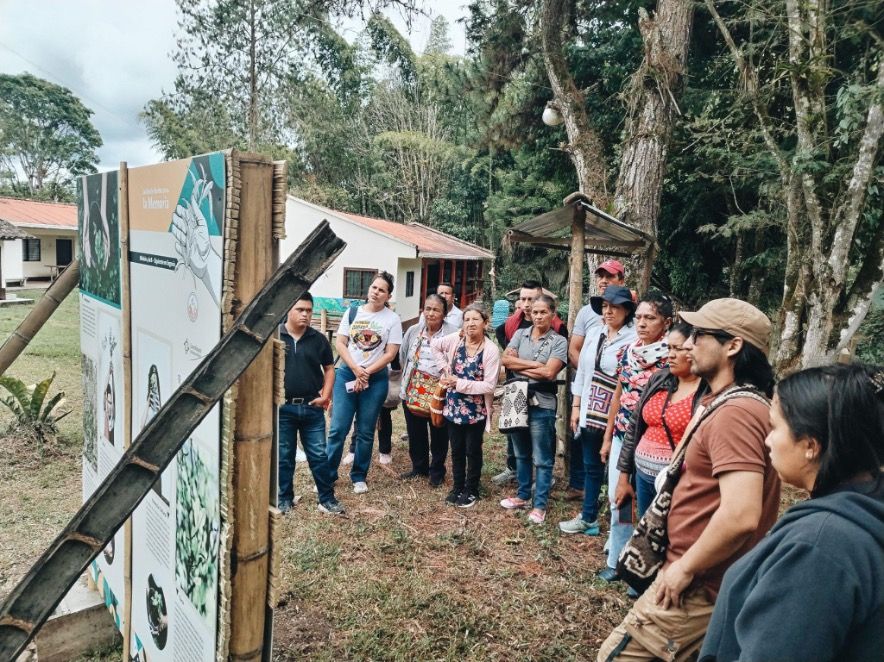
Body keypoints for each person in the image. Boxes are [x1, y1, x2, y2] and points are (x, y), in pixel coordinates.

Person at [598, 298, 780, 662]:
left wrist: (685, 568)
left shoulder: (738, 413)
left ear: (733, 346)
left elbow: (742, 513)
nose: (689, 343)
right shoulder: (726, 401)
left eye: (700, 335)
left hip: (697, 583)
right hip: (700, 575)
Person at [699, 363, 883, 662]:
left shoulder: (818, 550)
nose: (767, 440)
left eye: (775, 427)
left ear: (810, 445)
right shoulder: (865, 507)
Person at [599, 291, 674, 584]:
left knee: (651, 508)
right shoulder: (627, 352)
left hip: (654, 440)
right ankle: (618, 559)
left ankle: (646, 569)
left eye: (650, 318)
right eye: (639, 317)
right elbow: (618, 395)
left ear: (666, 323)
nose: (642, 323)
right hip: (622, 435)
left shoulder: (673, 358)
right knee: (619, 499)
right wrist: (608, 437)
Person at [560, 285, 636, 535]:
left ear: (626, 311)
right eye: (605, 306)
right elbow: (582, 371)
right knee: (591, 465)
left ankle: (623, 531)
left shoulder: (634, 339)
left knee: (622, 472)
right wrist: (576, 406)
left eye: (615, 307)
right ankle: (589, 516)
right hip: (590, 410)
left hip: (621, 416)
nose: (609, 312)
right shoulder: (594, 333)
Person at [614, 322, 707, 518]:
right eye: (669, 348)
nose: (670, 355)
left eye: (678, 349)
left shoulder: (707, 390)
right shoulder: (659, 379)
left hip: (678, 482)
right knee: (644, 529)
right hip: (642, 475)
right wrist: (624, 476)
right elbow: (634, 428)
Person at [326, 271, 402, 494]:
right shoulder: (352, 313)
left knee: (366, 430)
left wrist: (366, 372)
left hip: (375, 380)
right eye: (374, 287)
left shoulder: (392, 319)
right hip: (347, 375)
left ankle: (359, 476)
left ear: (388, 296)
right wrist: (356, 369)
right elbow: (340, 343)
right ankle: (328, 475)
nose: (376, 292)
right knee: (338, 429)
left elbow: (390, 353)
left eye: (382, 290)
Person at [499, 294, 568, 524]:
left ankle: (539, 505)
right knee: (520, 452)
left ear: (552, 313)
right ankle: (522, 495)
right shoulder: (520, 334)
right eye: (535, 312)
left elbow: (550, 373)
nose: (538, 316)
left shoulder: (559, 341)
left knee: (542, 456)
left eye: (543, 312)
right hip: (516, 397)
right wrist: (536, 365)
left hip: (543, 401)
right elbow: (506, 361)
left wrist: (522, 367)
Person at [566, 259, 627, 501]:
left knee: (617, 458)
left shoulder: (634, 331)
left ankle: (614, 505)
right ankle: (584, 496)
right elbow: (575, 353)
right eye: (600, 276)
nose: (603, 280)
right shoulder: (589, 321)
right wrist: (582, 397)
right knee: (587, 450)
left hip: (619, 402)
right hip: (590, 396)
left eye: (610, 276)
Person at [277, 293, 342, 515]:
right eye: (300, 309)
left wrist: (326, 395)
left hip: (312, 407)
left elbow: (330, 368)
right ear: (288, 309)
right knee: (284, 457)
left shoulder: (318, 339)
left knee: (319, 455)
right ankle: (284, 498)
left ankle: (327, 499)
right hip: (283, 408)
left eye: (308, 310)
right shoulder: (275, 336)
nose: (305, 314)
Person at [433, 303, 500, 507]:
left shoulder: (490, 350)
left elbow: (489, 385)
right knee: (456, 449)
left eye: (475, 319)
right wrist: (445, 369)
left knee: (473, 450)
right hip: (453, 406)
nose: (470, 323)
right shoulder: (456, 339)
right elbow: (435, 345)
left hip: (476, 410)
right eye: (467, 319)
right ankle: (457, 486)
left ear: (485, 323)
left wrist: (459, 383)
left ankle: (471, 490)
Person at [399, 294, 458, 485]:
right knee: (415, 431)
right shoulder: (414, 331)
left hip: (440, 389)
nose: (431, 313)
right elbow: (404, 356)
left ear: (444, 313)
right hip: (414, 387)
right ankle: (419, 467)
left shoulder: (453, 334)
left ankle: (437, 472)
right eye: (428, 308)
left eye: (436, 310)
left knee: (439, 430)